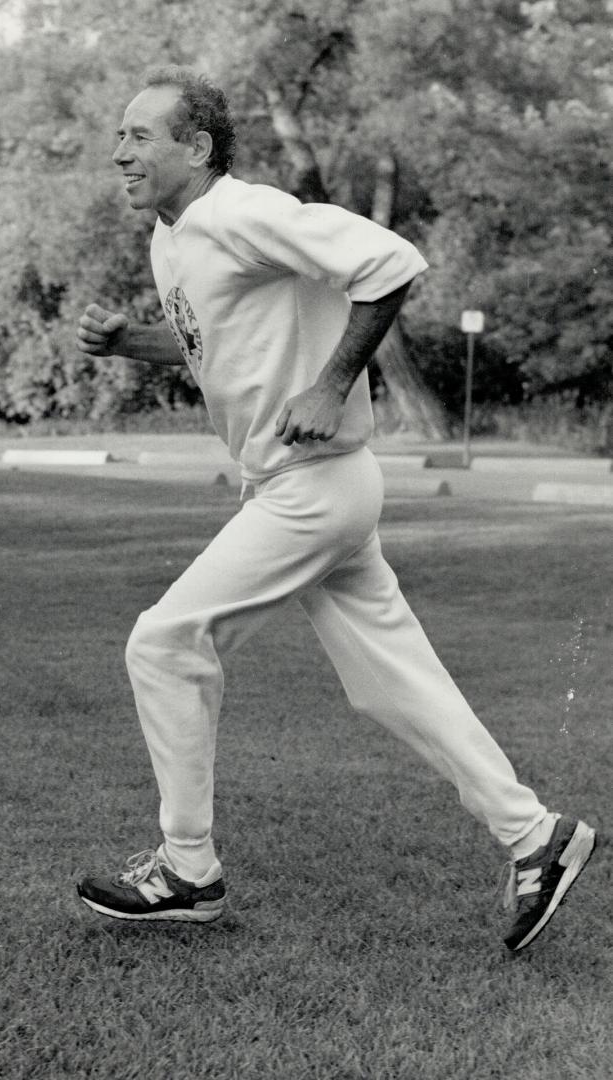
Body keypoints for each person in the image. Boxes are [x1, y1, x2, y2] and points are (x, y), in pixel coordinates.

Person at [74, 65, 595, 950]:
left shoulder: (242, 210)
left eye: (138, 135)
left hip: (314, 483)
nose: (118, 150)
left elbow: (391, 264)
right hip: (304, 485)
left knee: (166, 642)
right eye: (119, 136)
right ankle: (534, 835)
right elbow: (218, 344)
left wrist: (332, 383)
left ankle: (188, 867)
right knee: (393, 681)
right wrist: (134, 342)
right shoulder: (176, 239)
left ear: (195, 149)